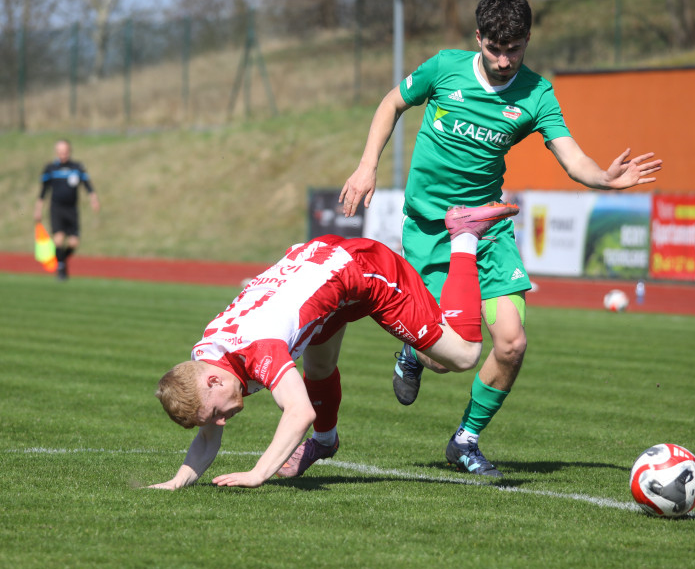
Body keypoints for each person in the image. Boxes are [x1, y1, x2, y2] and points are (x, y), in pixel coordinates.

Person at [339, 0, 662, 478]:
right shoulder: (445, 68)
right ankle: (413, 351)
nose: (504, 59)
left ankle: (466, 439)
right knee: (446, 358)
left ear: (528, 40)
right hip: (430, 232)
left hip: (487, 230)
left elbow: (571, 156)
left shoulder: (536, 94)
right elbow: (391, 103)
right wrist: (367, 168)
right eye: (494, 48)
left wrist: (605, 178)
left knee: (511, 343)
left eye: (514, 48)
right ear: (478, 39)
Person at [149, 203, 517, 490]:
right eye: (214, 417)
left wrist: (259, 472)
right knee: (319, 369)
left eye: (217, 413)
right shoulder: (206, 358)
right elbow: (208, 434)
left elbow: (299, 413)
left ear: (214, 382)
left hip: (364, 273)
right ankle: (325, 443)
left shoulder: (257, 349)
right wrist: (177, 481)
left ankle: (464, 235)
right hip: (320, 272)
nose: (222, 421)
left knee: (464, 354)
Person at [33, 139, 101, 281]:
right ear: (56, 152)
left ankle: (60, 260)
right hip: (57, 208)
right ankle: (62, 268)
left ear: (69, 151)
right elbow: (43, 191)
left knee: (74, 242)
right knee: (58, 239)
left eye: (65, 151)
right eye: (60, 151)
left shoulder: (77, 167)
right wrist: (38, 209)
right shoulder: (51, 168)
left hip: (72, 209)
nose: (63, 154)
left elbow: (87, 185)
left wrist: (93, 199)